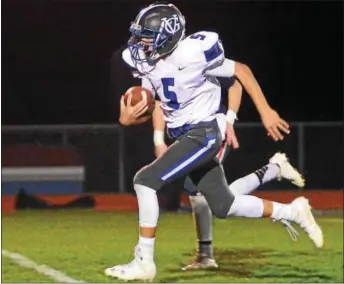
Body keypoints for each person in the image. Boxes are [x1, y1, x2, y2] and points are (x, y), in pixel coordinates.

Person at [105, 3, 323, 281]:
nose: (140, 43)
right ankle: (292, 211)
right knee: (223, 205)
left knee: (144, 180)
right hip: (184, 135)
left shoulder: (195, 51)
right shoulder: (145, 61)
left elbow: (240, 72)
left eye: (146, 36)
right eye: (140, 36)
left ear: (168, 35)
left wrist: (265, 111)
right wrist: (127, 119)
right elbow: (153, 103)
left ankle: (144, 261)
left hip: (204, 133)